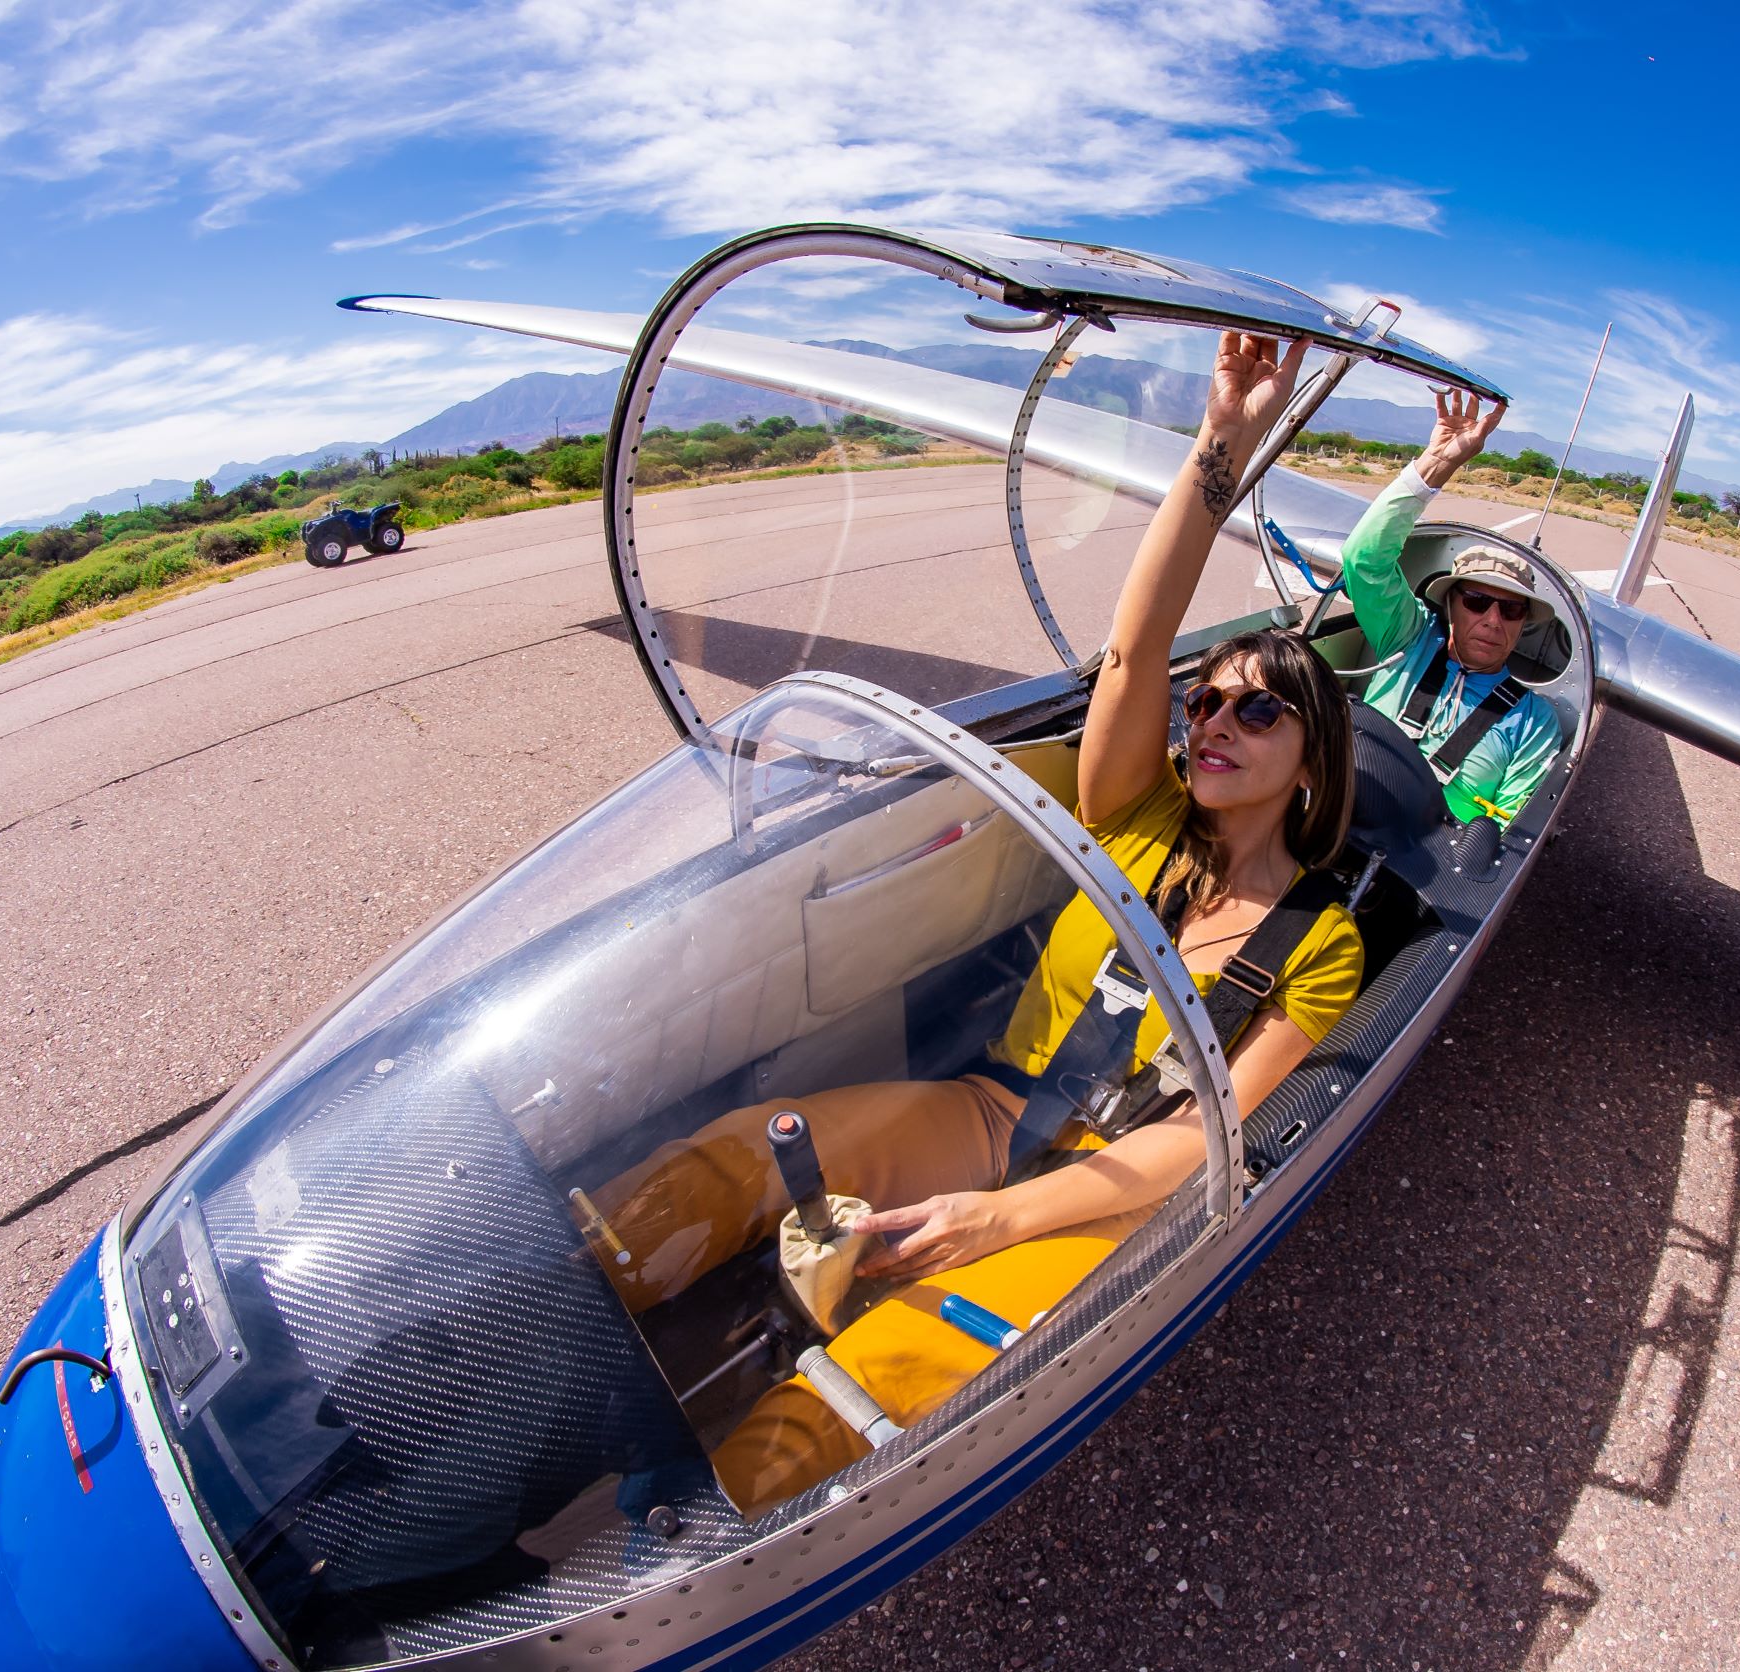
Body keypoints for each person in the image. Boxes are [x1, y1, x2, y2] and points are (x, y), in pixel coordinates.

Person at [585, 332, 1365, 1517]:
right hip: (996, 1106)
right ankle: (547, 1343)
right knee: (738, 1153)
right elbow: (1135, 651)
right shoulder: (1140, 812)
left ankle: (684, 1536)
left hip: (1109, 1187)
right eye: (1208, 702)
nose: (1215, 722)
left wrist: (1000, 1218)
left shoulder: (1322, 943)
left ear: (1312, 760)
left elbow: (1200, 1141)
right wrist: (1220, 445)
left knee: (877, 1379)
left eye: (1257, 712)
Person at [1337, 388, 1565, 826]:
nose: (1493, 620)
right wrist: (1436, 464)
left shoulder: (1534, 722)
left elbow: (1505, 828)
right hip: (1339, 810)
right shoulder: (1407, 639)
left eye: (1511, 610)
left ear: (1523, 623)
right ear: (1451, 604)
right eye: (1477, 602)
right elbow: (1363, 558)